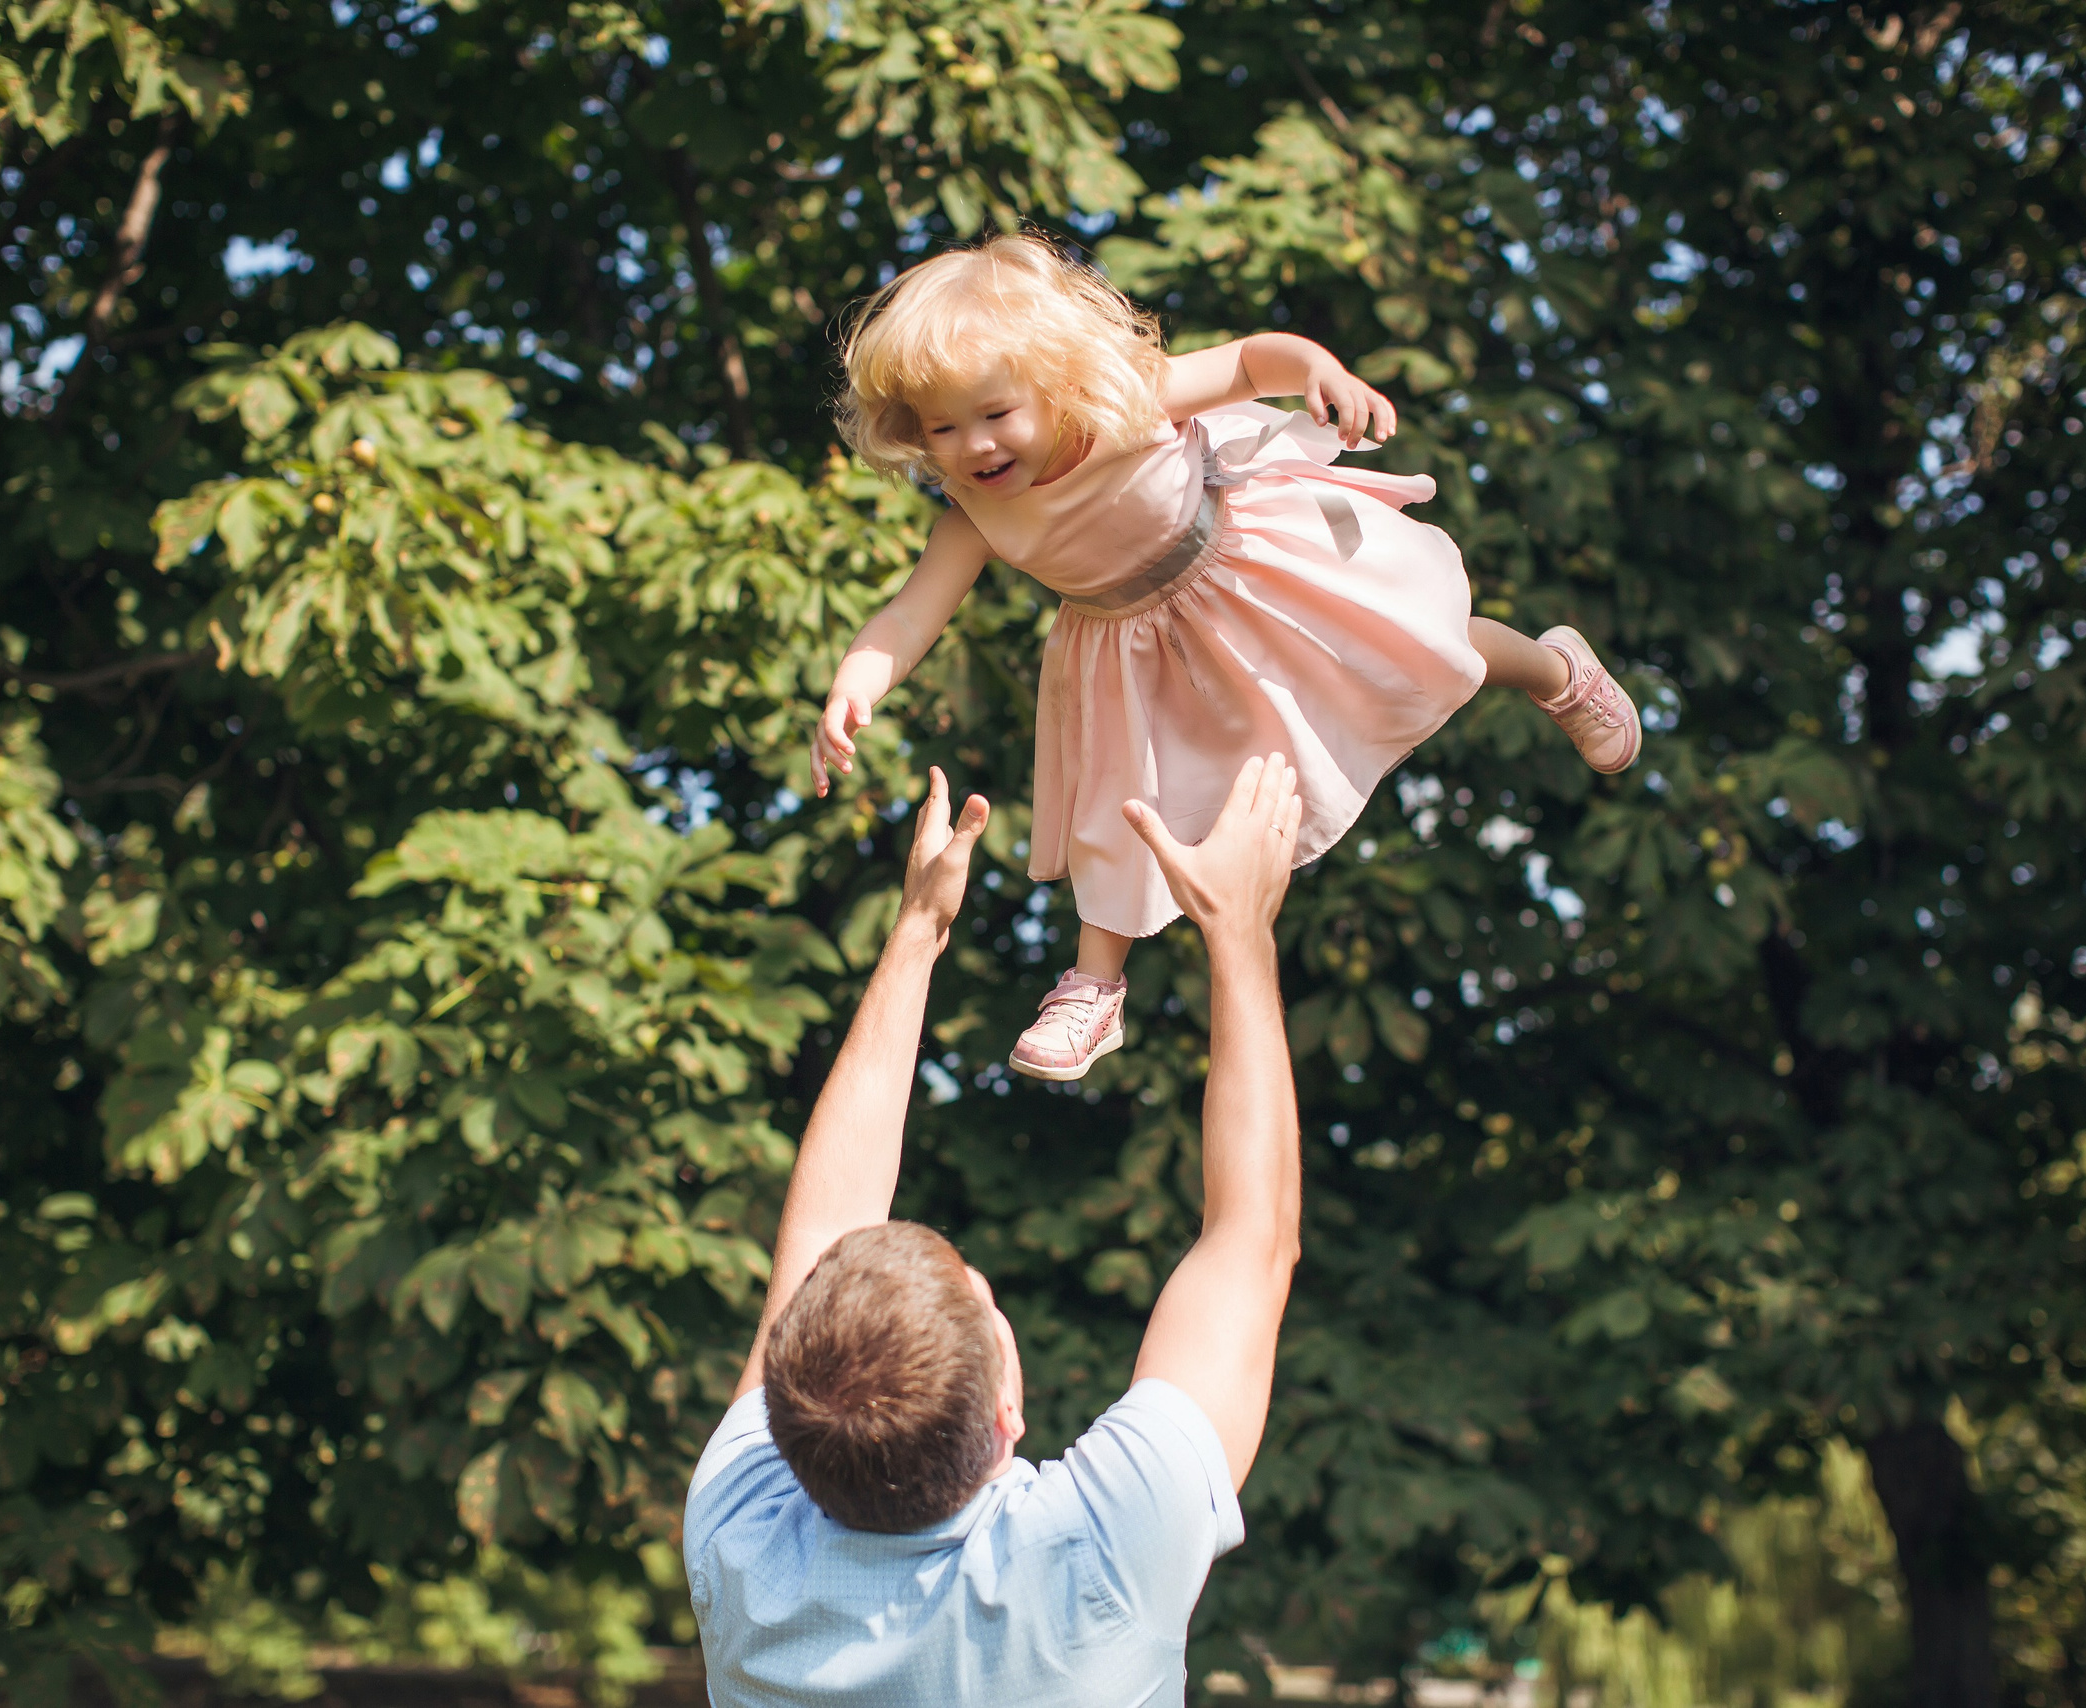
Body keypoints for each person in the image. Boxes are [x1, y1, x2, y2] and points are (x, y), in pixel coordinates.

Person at [811, 231, 1642, 1085]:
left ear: (1054, 386)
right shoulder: (972, 518)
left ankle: (1557, 671)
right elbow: (909, 617)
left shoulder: (1124, 405)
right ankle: (1093, 988)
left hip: (1244, 567)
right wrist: (855, 682)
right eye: (945, 428)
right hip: (1127, 646)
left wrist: (1320, 371)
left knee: (1424, 645)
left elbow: (1248, 364)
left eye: (996, 415)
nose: (976, 446)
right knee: (1121, 803)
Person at [685, 754, 1310, 1708]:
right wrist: (1238, 929)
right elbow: (1249, 1240)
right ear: (1007, 1408)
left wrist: (919, 930)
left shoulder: (743, 1540)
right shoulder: (1104, 1550)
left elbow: (1251, 1242)